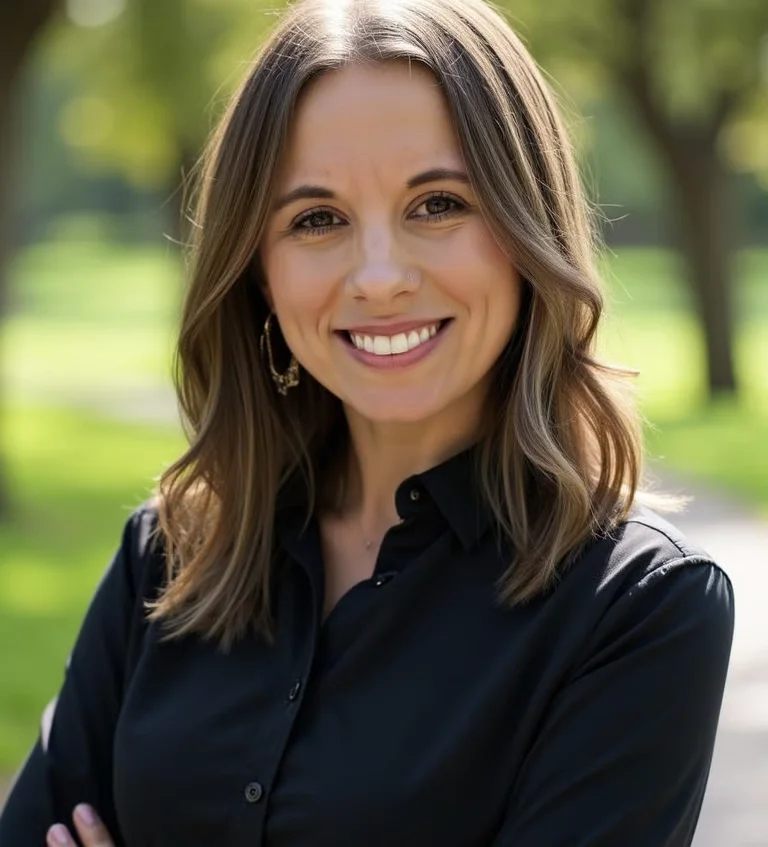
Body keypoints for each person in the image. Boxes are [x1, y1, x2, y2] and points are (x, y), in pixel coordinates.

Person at [0, 0, 735, 844]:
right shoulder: (169, 556)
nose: (379, 276)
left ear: (528, 228)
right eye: (317, 219)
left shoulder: (637, 610)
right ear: (259, 273)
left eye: (438, 204)